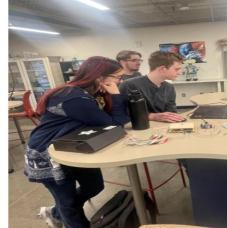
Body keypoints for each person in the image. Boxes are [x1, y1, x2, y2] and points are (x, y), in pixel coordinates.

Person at [24, 56, 129, 228]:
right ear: (100, 77)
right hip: (47, 152)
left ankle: (55, 212)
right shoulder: (74, 97)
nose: (120, 81)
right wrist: (116, 95)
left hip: (73, 146)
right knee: (69, 202)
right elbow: (115, 124)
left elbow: (118, 120)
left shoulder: (88, 93)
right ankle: (64, 212)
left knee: (95, 186)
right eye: (117, 77)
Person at [119, 51, 186, 122]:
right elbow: (122, 113)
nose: (180, 72)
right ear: (162, 69)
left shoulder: (169, 87)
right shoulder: (129, 85)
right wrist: (152, 116)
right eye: (177, 69)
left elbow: (171, 111)